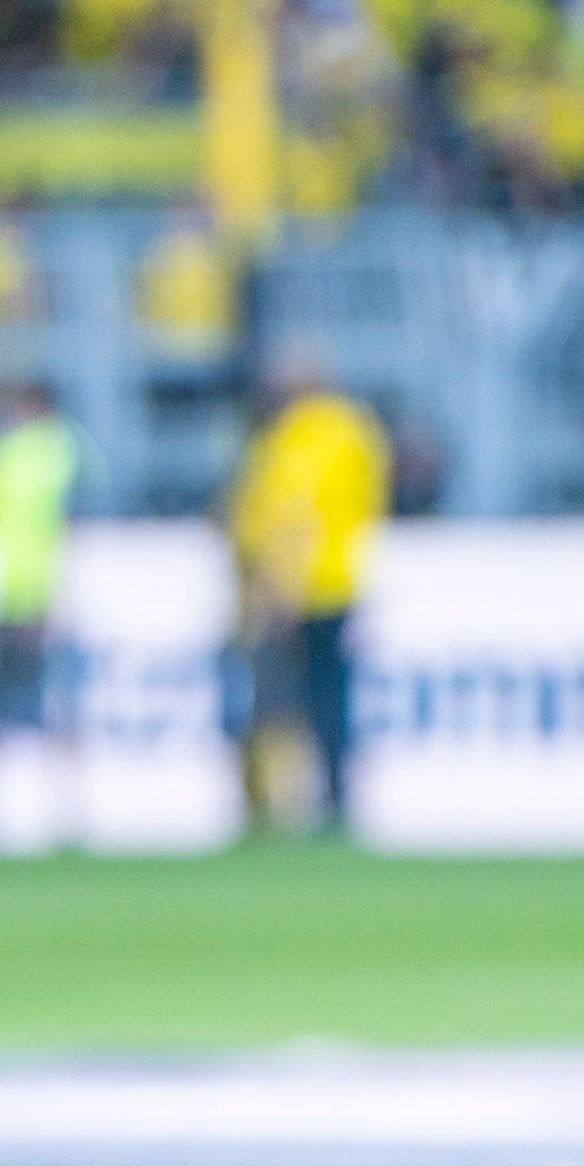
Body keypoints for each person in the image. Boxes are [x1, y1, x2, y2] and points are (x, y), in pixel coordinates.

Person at [226, 353, 386, 835]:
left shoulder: (298, 437)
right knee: (330, 696)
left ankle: (289, 803)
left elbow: (289, 516)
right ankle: (333, 797)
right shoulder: (355, 430)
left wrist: (279, 587)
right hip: (340, 580)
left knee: (284, 702)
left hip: (294, 590)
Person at [0, 376, 82, 848]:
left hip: (20, 595)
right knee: (40, 704)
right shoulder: (55, 451)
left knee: (6, 706)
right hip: (24, 594)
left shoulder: (17, 455)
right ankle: (57, 812)